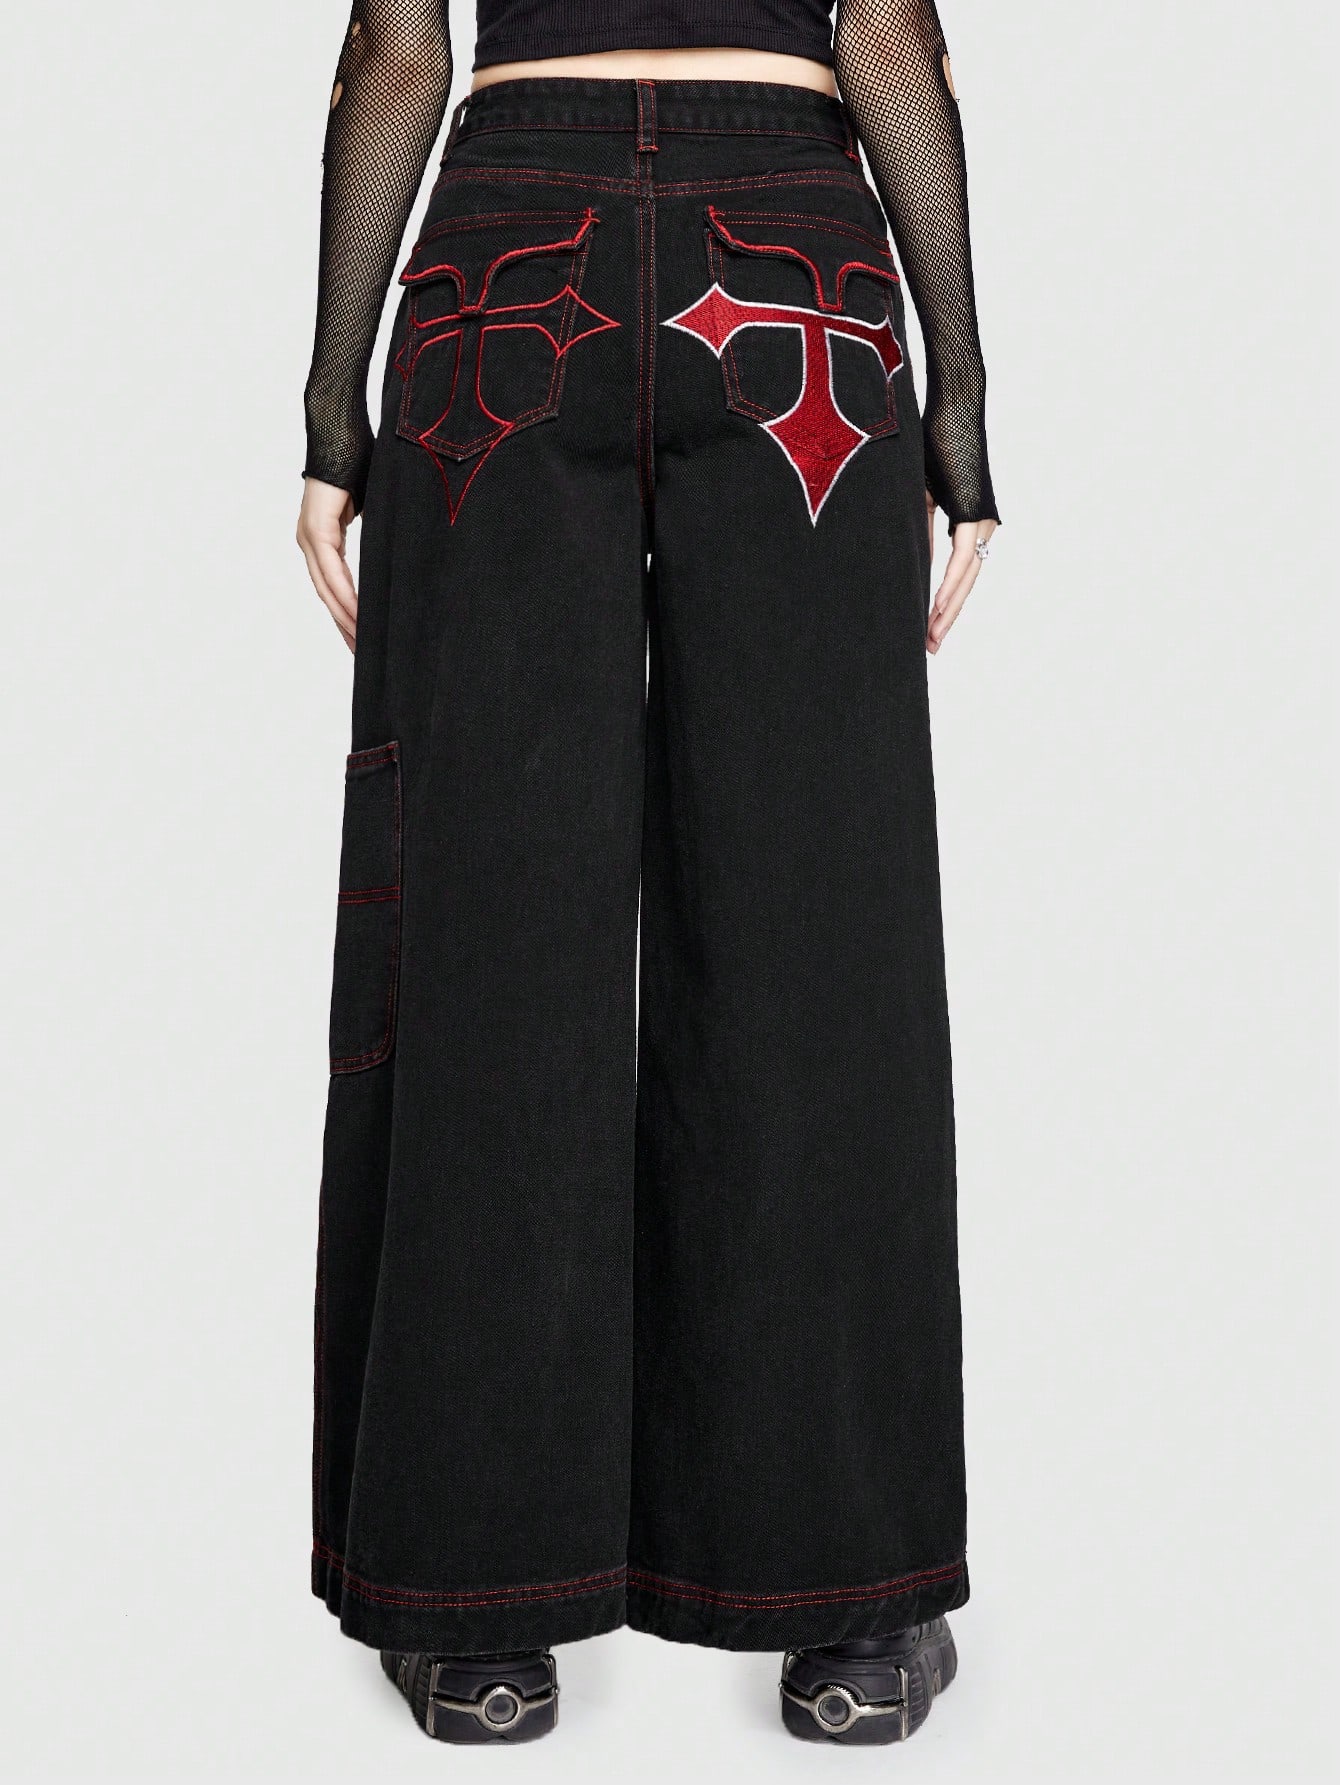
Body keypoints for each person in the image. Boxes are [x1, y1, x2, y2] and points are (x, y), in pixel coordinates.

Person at [296, 0, 999, 1747]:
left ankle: (475, 1618)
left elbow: (397, 53)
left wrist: (330, 410)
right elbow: (890, 38)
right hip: (795, 277)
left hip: (508, 266)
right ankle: (851, 1610)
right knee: (818, 903)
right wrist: (962, 401)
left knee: (483, 904)